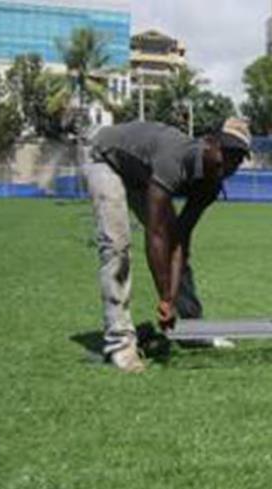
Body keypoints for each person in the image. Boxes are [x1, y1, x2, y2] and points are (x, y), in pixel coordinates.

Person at [83, 119, 251, 372]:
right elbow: (157, 234)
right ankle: (120, 343)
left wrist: (170, 298)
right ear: (209, 142)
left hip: (144, 173)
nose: (228, 164)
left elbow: (180, 239)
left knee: (177, 250)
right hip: (106, 159)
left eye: (236, 160)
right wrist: (165, 299)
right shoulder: (174, 158)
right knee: (116, 246)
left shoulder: (212, 184)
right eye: (225, 153)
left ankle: (193, 331)